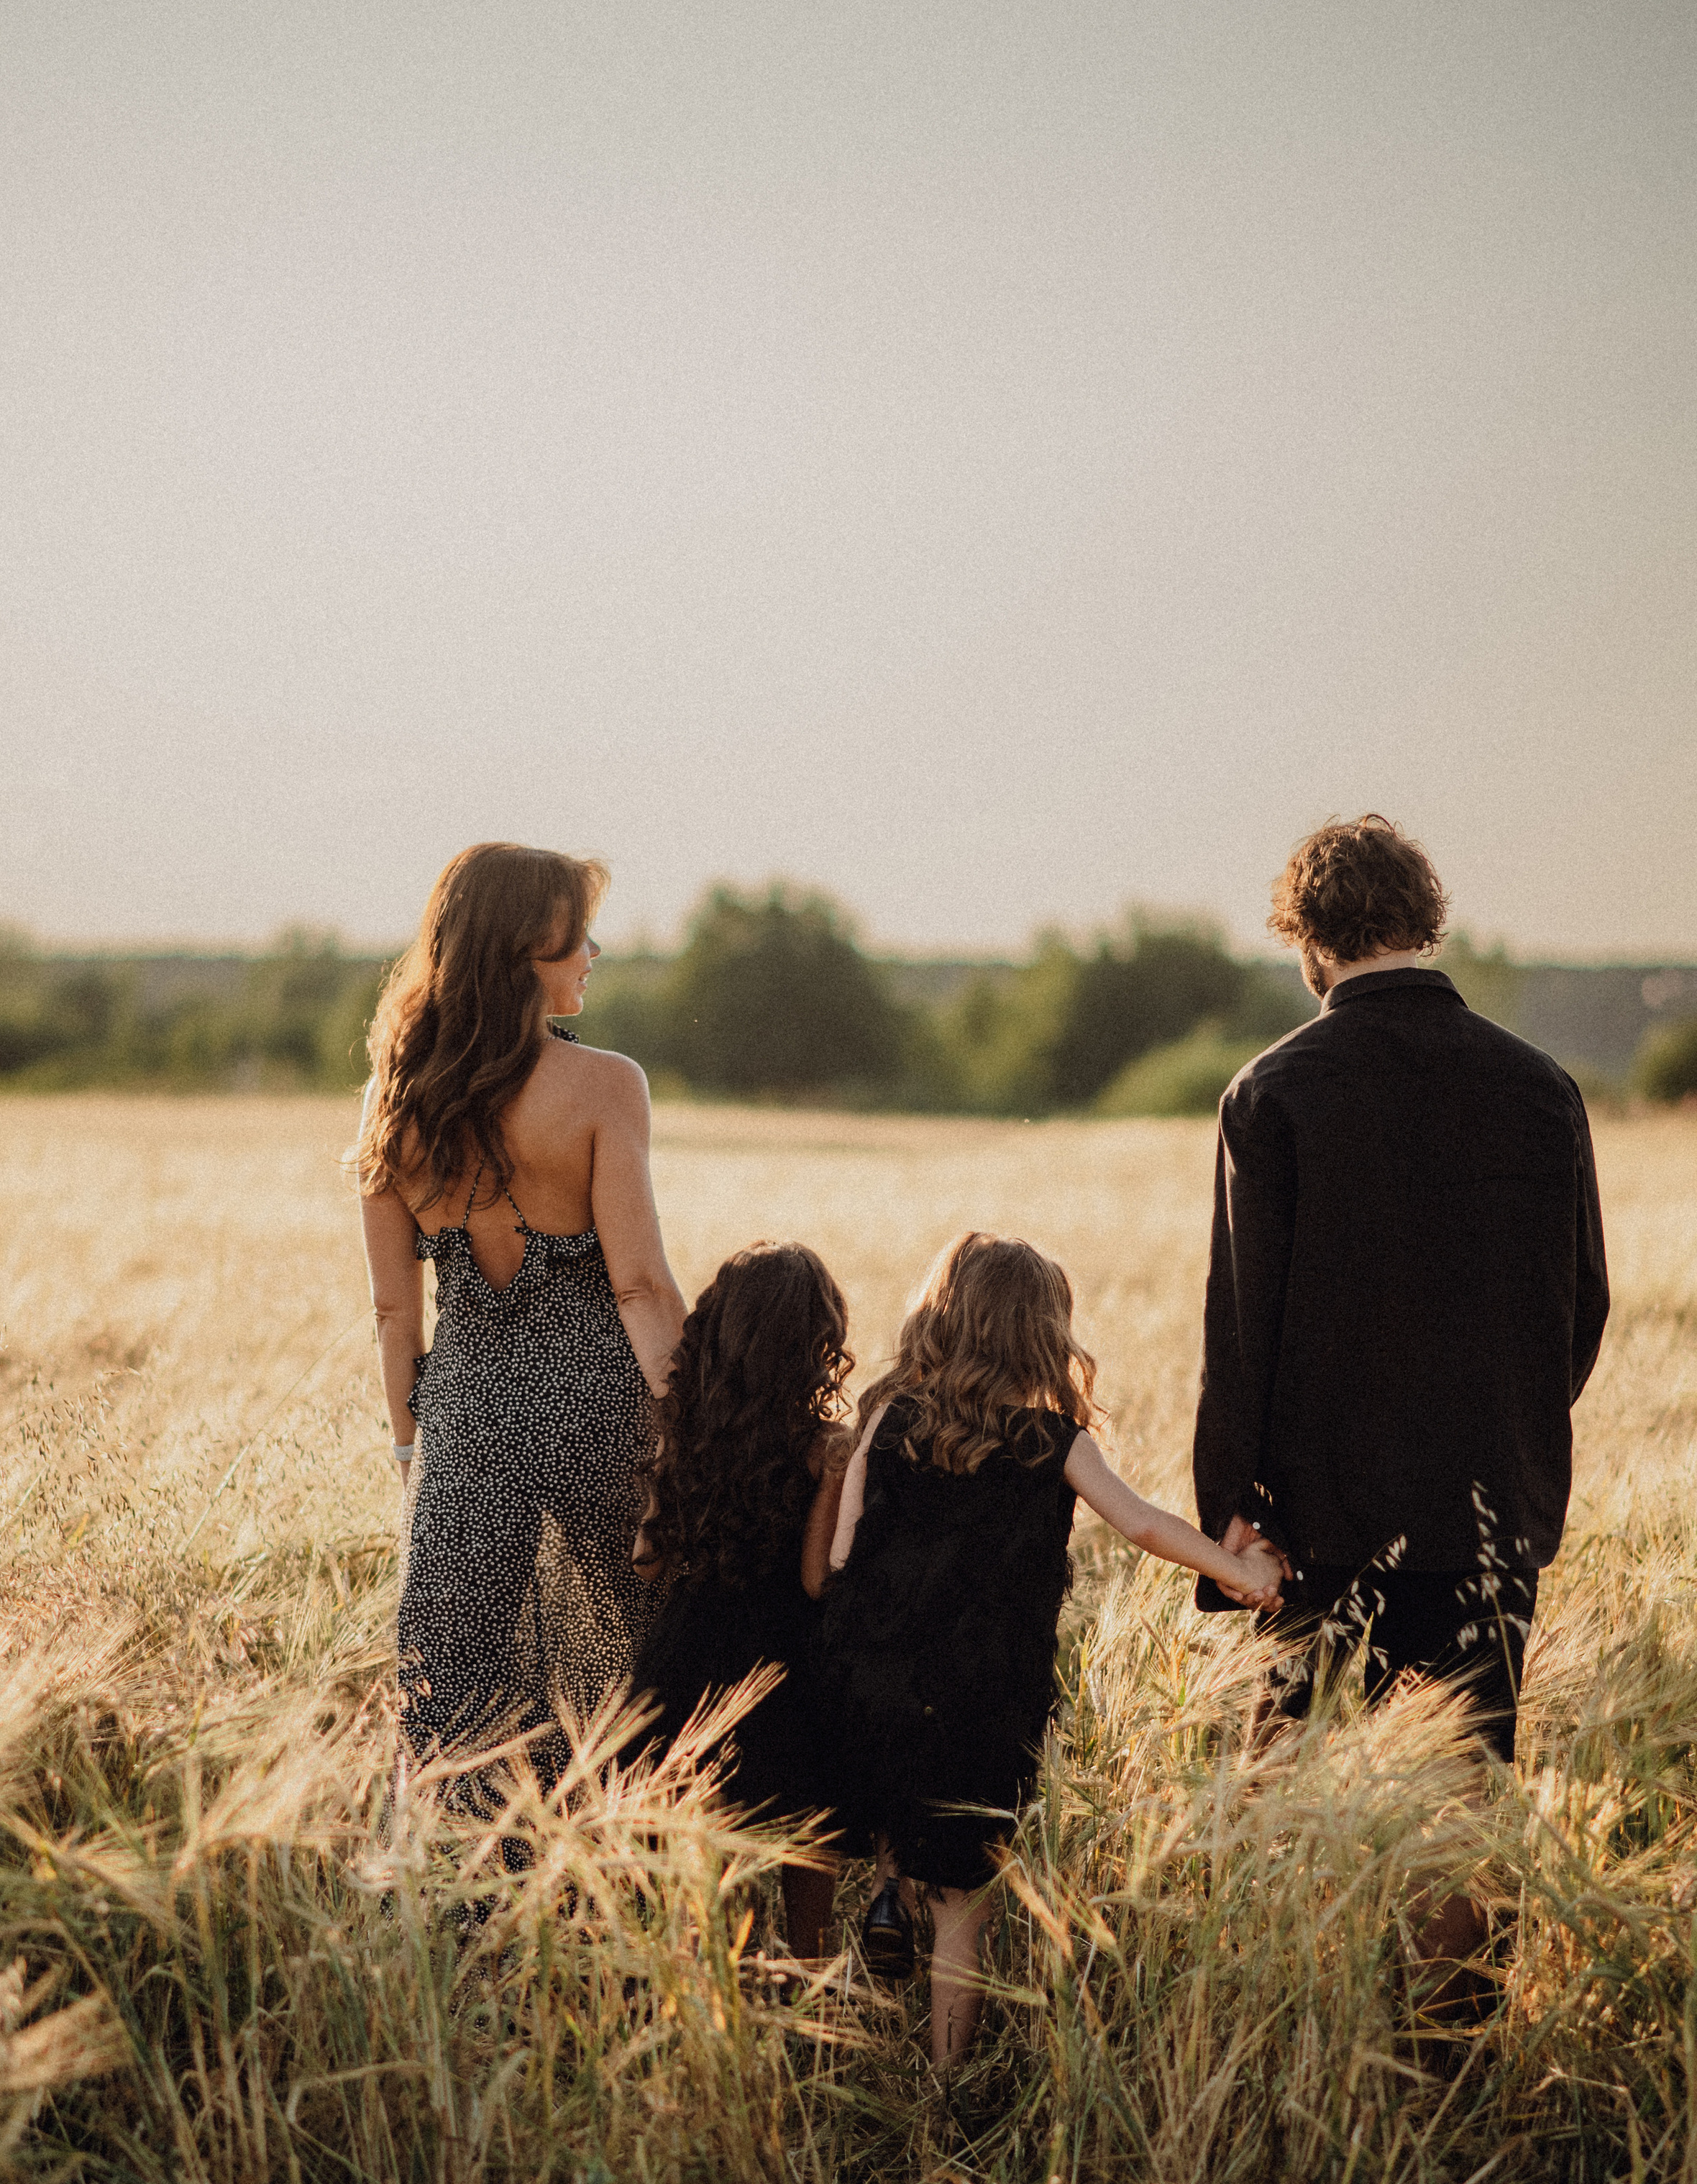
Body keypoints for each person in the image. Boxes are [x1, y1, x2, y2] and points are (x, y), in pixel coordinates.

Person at [1193, 814, 1609, 2009]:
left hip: (1317, 1519)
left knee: (1298, 1803)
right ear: (1427, 923)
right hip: (1490, 1512)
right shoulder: (1544, 1088)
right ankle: (1452, 2062)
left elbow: (1242, 1334)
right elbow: (1583, 1302)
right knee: (1465, 1805)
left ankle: (1305, 2030)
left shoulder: (1271, 1090)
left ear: (1307, 940)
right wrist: (1505, 1430)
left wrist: (1229, 1517)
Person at [823, 1232, 1283, 2070]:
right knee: (965, 1900)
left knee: (895, 1781)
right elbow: (1144, 1524)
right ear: (1042, 1335)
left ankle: (890, 1890)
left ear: (941, 1321)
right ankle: (947, 2088)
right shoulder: (1052, 1442)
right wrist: (1241, 1571)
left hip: (874, 1676)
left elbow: (841, 1560)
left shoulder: (890, 1421)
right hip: (986, 1696)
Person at [357, 841, 687, 1808]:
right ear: (521, 953)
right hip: (601, 1415)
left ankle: (471, 1904)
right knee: (620, 1671)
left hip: (462, 1422)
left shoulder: (396, 1098)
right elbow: (640, 1287)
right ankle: (611, 1899)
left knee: (459, 1678)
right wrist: (694, 1425)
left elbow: (391, 1311)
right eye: (576, 937)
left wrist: (411, 1450)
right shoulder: (605, 1087)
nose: (594, 952)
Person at [629, 1243, 854, 1960]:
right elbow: (819, 1581)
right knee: (806, 1840)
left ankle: (727, 2013)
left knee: (716, 1883)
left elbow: (646, 1559)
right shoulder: (826, 1448)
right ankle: (813, 1990)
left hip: (686, 1664)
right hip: (785, 1671)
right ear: (815, 1347)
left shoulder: (687, 1430)